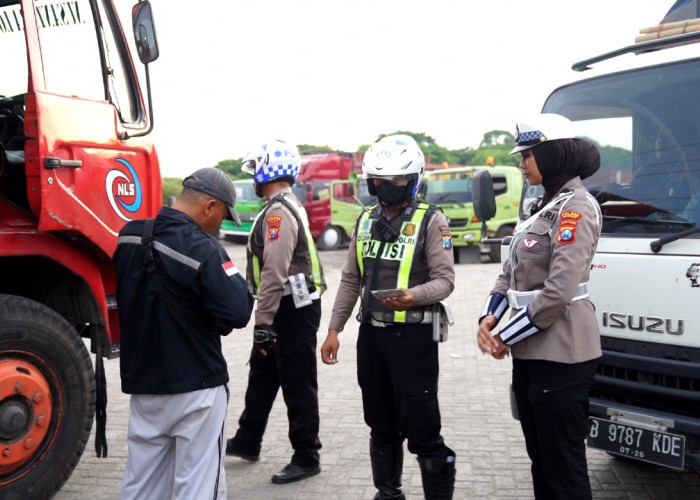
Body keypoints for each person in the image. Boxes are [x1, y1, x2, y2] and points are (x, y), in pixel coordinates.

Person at [320, 134, 456, 500]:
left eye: (396, 182)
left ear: (413, 180)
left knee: (423, 428)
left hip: (413, 340)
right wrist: (334, 329)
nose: (387, 189)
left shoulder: (432, 221)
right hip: (372, 338)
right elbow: (351, 279)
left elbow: (445, 281)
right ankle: (388, 492)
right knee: (380, 425)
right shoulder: (364, 221)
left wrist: (413, 297)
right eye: (379, 182)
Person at [477, 113, 603, 500]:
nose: (521, 164)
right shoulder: (541, 206)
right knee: (541, 461)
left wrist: (504, 337)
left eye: (528, 155)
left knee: (563, 468)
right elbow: (509, 273)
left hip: (563, 354)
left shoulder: (575, 208)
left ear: (552, 155)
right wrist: (489, 316)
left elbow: (558, 291)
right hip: (531, 354)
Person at [114, 167, 254, 499]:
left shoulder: (129, 236)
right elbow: (239, 311)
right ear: (209, 206)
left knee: (142, 484)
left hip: (145, 388)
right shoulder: (203, 248)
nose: (220, 224)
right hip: (197, 388)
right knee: (198, 485)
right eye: (222, 214)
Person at [226, 139, 327, 484]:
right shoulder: (281, 205)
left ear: (269, 169)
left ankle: (307, 455)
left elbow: (274, 271)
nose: (254, 177)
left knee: (297, 383)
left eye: (256, 170)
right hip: (285, 306)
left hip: (290, 310)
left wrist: (263, 321)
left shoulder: (279, 212)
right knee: (263, 375)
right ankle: (247, 439)